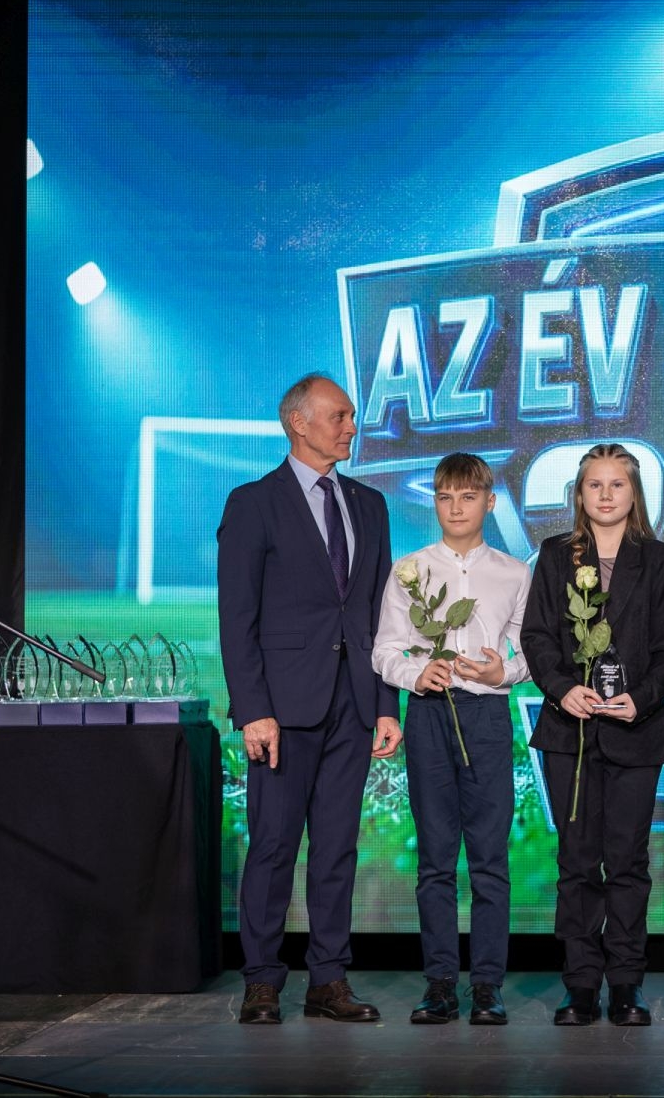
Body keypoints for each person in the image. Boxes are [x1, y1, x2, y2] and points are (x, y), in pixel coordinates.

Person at [218, 373, 402, 1025]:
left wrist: (386, 704)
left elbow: (381, 616)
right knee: (272, 846)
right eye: (340, 415)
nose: (352, 426)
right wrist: (253, 709)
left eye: (351, 416)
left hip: (354, 706)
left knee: (336, 848)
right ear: (298, 422)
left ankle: (328, 979)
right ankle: (262, 982)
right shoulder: (253, 503)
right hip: (282, 710)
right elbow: (237, 618)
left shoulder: (370, 505)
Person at [520, 443, 664, 1027]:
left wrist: (641, 698)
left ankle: (625, 984)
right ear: (579, 493)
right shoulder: (554, 555)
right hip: (570, 732)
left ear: (634, 493)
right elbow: (537, 636)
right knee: (576, 861)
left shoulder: (659, 559)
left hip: (636, 732)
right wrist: (562, 688)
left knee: (627, 863)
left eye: (618, 484)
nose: (607, 494)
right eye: (596, 484)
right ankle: (580, 985)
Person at [372, 453, 531, 1026]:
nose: (456, 507)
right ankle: (440, 982)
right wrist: (418, 673)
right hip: (430, 715)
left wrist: (503, 672)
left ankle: (487, 985)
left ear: (490, 502)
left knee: (489, 860)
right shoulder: (409, 569)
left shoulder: (515, 573)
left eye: (468, 496)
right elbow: (384, 649)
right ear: (434, 503)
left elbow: (529, 653)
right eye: (445, 497)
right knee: (436, 859)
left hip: (486, 717)